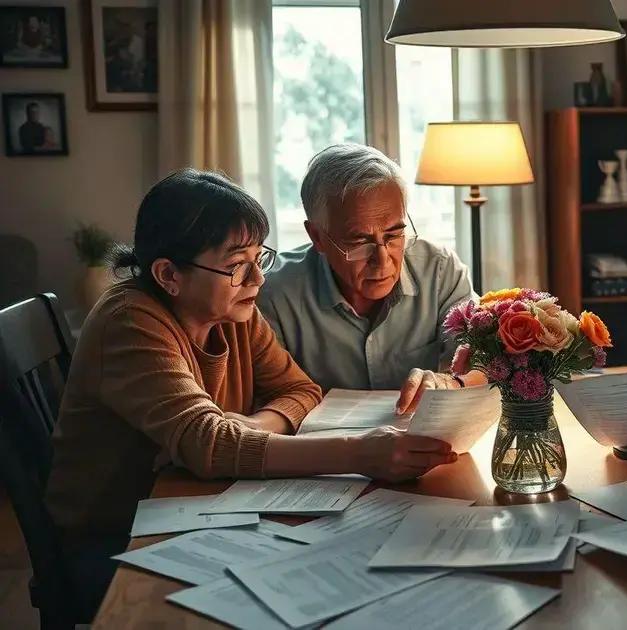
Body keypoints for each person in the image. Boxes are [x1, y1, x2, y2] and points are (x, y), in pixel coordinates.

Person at [45, 169, 457, 620]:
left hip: (196, 511)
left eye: (259, 258)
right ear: (168, 274)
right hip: (117, 537)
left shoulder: (230, 309)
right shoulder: (130, 321)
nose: (257, 279)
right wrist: (360, 455)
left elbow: (299, 388)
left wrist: (255, 426)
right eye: (236, 265)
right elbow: (208, 443)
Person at [259, 144, 483, 414]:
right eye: (360, 241)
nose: (383, 259)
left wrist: (451, 382)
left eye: (393, 235)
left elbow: (481, 360)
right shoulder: (274, 294)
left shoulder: (440, 271)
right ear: (317, 237)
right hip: (329, 451)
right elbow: (271, 398)